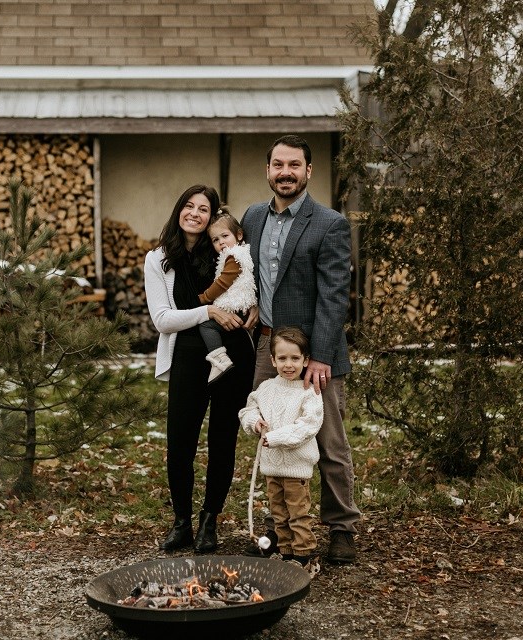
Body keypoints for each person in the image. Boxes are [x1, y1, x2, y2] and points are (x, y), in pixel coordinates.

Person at [241, 135, 362, 564]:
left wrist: (322, 355)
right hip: (267, 350)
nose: (285, 172)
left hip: (314, 353)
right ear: (268, 170)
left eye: (294, 165)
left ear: (309, 171)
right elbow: (245, 272)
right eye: (278, 164)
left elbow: (335, 294)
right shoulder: (253, 217)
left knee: (326, 442)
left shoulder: (328, 223)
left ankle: (342, 527)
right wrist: (250, 303)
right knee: (271, 435)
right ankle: (284, 525)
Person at [144, 184, 256, 554]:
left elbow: (253, 281)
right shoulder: (158, 259)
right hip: (188, 357)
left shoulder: (223, 251)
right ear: (179, 210)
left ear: (212, 217)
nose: (195, 213)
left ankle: (210, 521)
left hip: (234, 351)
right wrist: (207, 311)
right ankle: (181, 523)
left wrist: (259, 309)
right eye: (189, 206)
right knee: (180, 445)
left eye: (203, 208)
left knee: (223, 440)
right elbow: (162, 320)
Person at [239, 326, 322, 568]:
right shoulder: (266, 388)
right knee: (279, 514)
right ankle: (286, 553)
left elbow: (308, 426)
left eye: (295, 358)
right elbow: (247, 410)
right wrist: (255, 422)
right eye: (283, 358)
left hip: (296, 469)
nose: (289, 364)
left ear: (305, 360)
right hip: (271, 467)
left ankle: (303, 555)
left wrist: (274, 438)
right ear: (273, 360)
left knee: (297, 514)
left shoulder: (309, 392)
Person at [196, 211, 257, 383]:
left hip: (236, 306)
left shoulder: (234, 257)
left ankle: (220, 360)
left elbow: (223, 283)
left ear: (238, 235)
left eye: (225, 236)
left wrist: (204, 298)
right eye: (215, 239)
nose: (221, 241)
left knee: (206, 325)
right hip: (239, 306)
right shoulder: (238, 253)